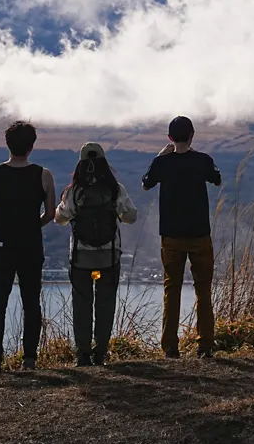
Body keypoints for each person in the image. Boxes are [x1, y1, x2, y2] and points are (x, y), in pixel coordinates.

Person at [0, 120, 57, 372]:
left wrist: (0, 226)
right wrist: (32, 227)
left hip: (1, 246)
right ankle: (29, 358)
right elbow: (50, 213)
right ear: (31, 146)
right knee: (31, 302)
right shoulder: (43, 175)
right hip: (31, 245)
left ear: (7, 144)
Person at [142, 116, 222, 358]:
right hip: (199, 234)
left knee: (172, 289)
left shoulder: (162, 163)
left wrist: (159, 156)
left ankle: (169, 347)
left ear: (169, 138)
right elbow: (217, 179)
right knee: (203, 289)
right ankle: (205, 345)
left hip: (171, 236)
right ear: (192, 134)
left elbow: (146, 184)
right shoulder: (202, 161)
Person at [55, 142, 137, 367]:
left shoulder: (74, 191)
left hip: (81, 257)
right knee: (105, 302)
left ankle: (82, 353)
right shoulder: (114, 189)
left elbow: (60, 218)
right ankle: (100, 351)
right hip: (109, 256)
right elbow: (131, 216)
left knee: (82, 303)